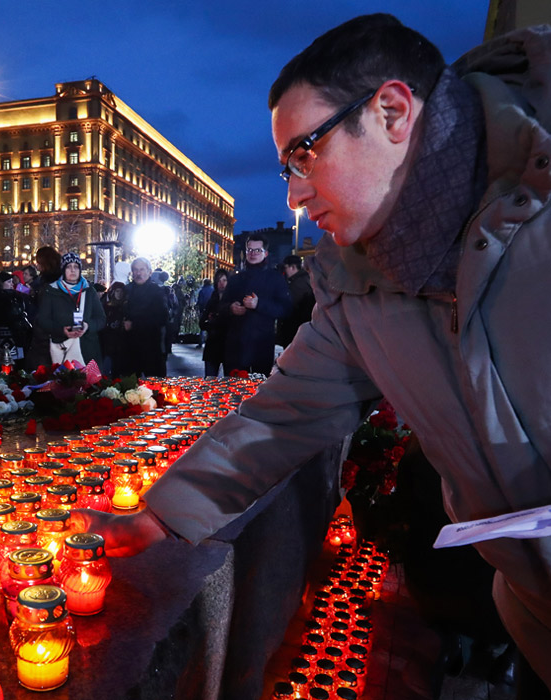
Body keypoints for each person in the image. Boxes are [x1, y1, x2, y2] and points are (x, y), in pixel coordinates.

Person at [72, 14, 551, 692]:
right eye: (284, 168)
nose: (294, 195)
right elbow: (284, 415)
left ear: (391, 110)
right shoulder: (357, 284)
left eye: (306, 154)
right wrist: (159, 515)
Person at [221, 234, 291, 375]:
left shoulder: (275, 278)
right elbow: (220, 306)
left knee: (259, 391)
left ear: (265, 253)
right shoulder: (236, 279)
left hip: (262, 346)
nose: (252, 253)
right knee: (235, 391)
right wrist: (230, 308)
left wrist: (259, 304)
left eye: (257, 250)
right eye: (249, 250)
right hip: (236, 346)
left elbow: (285, 309)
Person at [35, 252, 105, 366]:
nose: (73, 270)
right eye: (68, 267)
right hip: (62, 347)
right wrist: (61, 330)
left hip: (87, 349)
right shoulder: (51, 291)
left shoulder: (89, 290)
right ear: (63, 270)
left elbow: (101, 319)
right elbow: (43, 320)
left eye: (76, 267)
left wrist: (88, 326)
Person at [121, 257, 168, 377]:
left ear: (149, 272)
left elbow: (162, 318)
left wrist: (135, 324)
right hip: (129, 350)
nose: (138, 273)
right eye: (135, 270)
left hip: (151, 349)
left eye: (142, 269)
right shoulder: (126, 290)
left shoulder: (157, 291)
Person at [0, 271, 33, 370]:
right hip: (4, 337)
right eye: (8, 282)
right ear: (1, 284)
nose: (12, 284)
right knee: (5, 365)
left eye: (12, 281)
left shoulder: (15, 295)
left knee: (16, 365)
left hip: (15, 336)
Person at [26, 246, 62, 369]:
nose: (37, 265)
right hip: (46, 333)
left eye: (39, 262)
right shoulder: (45, 281)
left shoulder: (51, 283)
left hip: (47, 335)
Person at [275, 254, 315, 348]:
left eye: (286, 267)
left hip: (294, 329)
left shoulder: (298, 284)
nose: (284, 270)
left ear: (293, 267)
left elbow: (289, 304)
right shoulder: (304, 279)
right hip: (301, 328)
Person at [198, 269, 230, 378]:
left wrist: (215, 320)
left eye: (224, 280)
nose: (222, 283)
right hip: (213, 344)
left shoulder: (232, 300)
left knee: (229, 382)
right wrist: (211, 324)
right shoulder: (213, 299)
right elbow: (202, 322)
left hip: (228, 345)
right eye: (219, 280)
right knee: (210, 380)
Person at [99, 282, 128, 377]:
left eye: (122, 292)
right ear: (113, 292)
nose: (120, 294)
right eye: (117, 291)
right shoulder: (106, 306)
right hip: (108, 343)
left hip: (122, 343)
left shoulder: (126, 307)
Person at [194, 278, 214, 348]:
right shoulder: (213, 290)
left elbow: (200, 302)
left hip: (203, 310)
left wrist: (200, 308)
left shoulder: (202, 291)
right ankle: (210, 343)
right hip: (212, 311)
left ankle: (200, 342)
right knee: (211, 327)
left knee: (202, 326)